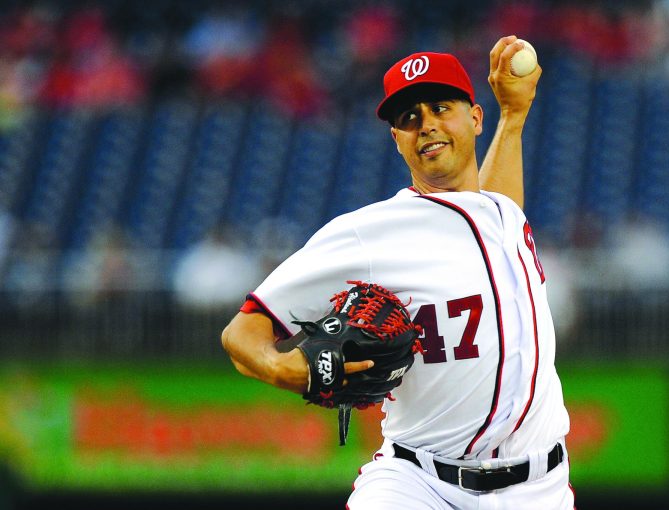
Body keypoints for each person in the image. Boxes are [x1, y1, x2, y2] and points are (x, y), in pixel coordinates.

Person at [222, 36, 574, 509]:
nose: (426, 125)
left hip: (539, 489)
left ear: (475, 118)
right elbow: (241, 335)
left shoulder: (502, 214)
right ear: (396, 140)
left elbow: (488, 211)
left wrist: (513, 116)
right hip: (419, 484)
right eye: (408, 118)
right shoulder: (367, 234)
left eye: (440, 108)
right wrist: (287, 370)